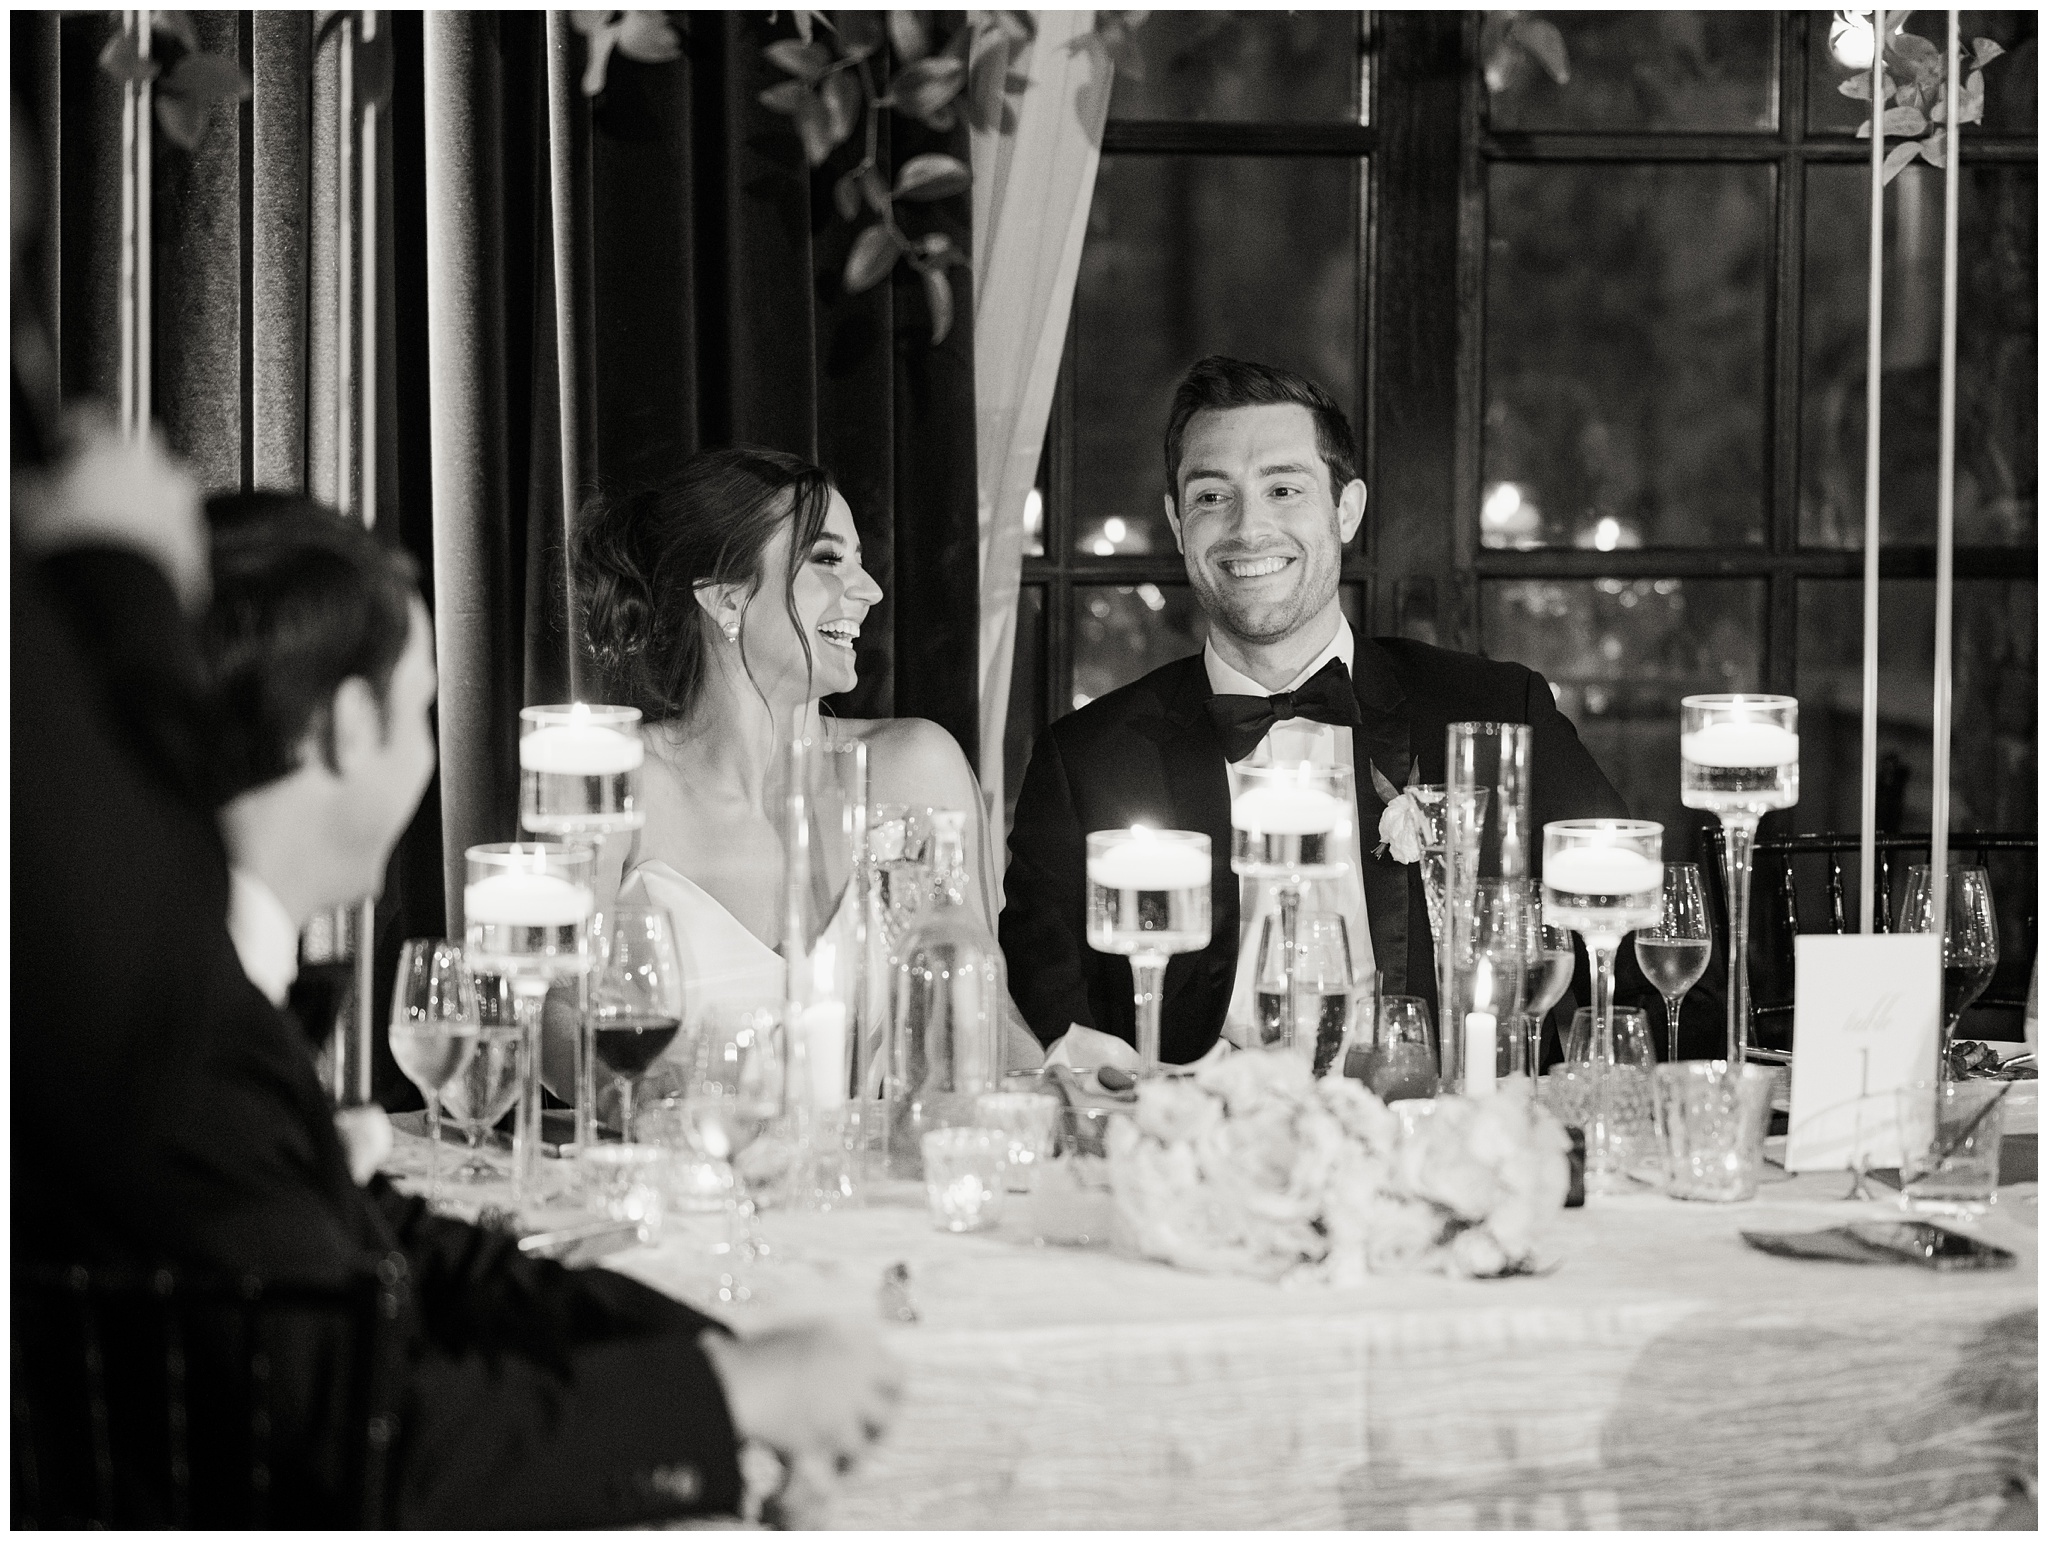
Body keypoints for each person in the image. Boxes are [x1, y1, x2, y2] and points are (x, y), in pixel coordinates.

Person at [16, 469, 899, 1525]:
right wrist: (730, 1395)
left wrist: (695, 1344)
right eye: (423, 702)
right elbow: (365, 1444)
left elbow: (396, 1248)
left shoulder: (186, 997)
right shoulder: (173, 1047)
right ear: (349, 725)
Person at [1001, 355, 1637, 1065]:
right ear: (1177, 524)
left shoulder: (1492, 712)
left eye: (1283, 488)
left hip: (1435, 1143)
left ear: (1347, 509)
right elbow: (1050, 1010)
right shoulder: (1088, 761)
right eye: (1212, 496)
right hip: (1202, 1154)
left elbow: (1637, 935)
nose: (1248, 528)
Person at [574, 446, 1042, 1077]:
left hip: (871, 1171)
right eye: (827, 560)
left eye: (860, 561)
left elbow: (984, 1015)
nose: (870, 590)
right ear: (728, 600)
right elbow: (551, 1020)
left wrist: (1057, 1090)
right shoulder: (616, 780)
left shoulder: (913, 768)